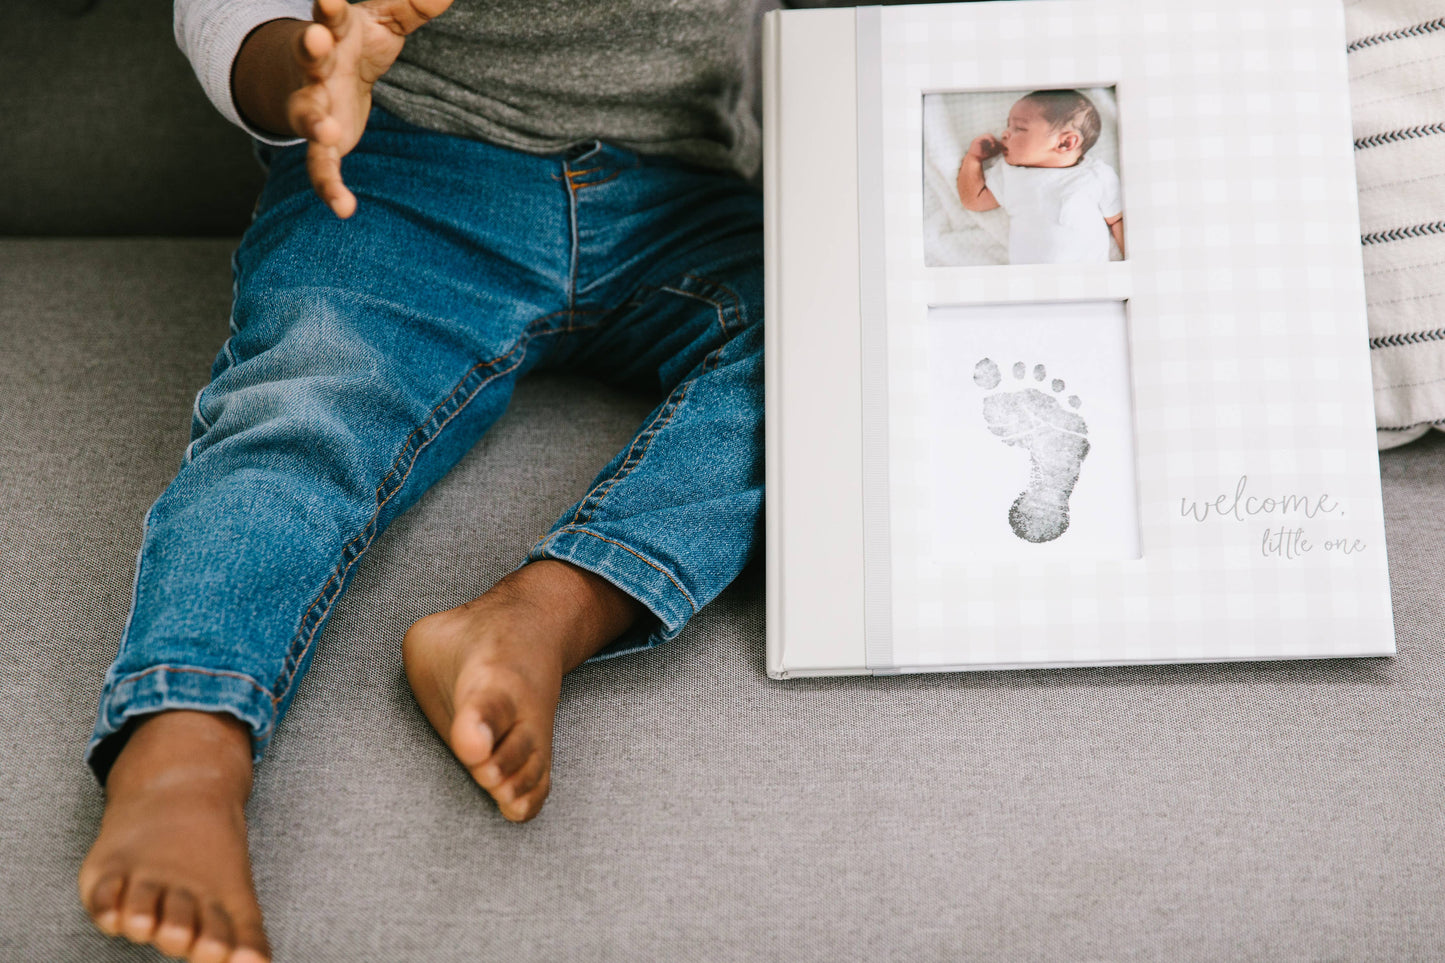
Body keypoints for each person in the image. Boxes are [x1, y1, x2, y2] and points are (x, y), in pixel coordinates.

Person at [76, 0, 765, 960]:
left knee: (839, 371)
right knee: (309, 401)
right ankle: (184, 740)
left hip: (702, 193)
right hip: (407, 164)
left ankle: (548, 609)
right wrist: (305, 77)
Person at [956, 89, 1125, 264]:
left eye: (1019, 128)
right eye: (1008, 126)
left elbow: (1117, 220)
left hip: (1087, 277)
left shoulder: (1095, 175)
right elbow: (974, 200)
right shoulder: (1010, 173)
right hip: (1032, 282)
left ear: (1065, 142)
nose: (1005, 134)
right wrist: (973, 159)